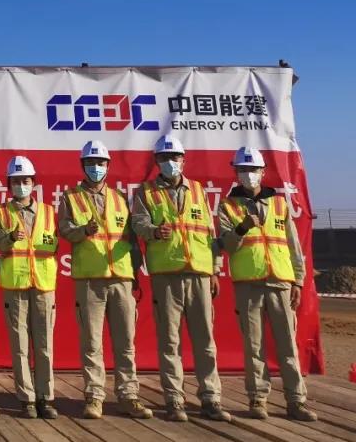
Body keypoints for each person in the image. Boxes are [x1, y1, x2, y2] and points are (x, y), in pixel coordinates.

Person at [131, 134, 231, 422]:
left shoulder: (198, 191)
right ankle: (174, 399)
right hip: (166, 275)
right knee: (169, 341)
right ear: (156, 161)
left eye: (174, 157)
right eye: (164, 158)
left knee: (205, 340)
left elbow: (210, 233)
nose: (170, 162)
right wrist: (153, 231)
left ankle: (210, 398)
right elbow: (138, 222)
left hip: (199, 274)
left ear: (183, 160)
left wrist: (214, 269)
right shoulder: (146, 192)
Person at [217, 147, 316, 422]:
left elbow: (294, 246)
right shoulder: (228, 206)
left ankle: (296, 401)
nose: (248, 174)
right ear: (236, 173)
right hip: (248, 284)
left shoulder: (279, 204)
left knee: (288, 345)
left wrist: (298, 281)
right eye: (242, 170)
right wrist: (242, 227)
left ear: (263, 171)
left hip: (280, 282)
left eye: (253, 169)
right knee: (254, 346)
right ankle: (257, 399)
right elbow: (226, 245)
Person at [58, 141, 152, 420]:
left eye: (100, 163)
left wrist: (135, 273)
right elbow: (64, 229)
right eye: (90, 163)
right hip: (90, 279)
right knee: (92, 342)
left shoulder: (120, 197)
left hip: (121, 278)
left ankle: (128, 396)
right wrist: (83, 230)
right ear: (82, 166)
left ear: (108, 166)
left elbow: (131, 239)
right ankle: (94, 396)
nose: (95, 167)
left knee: (126, 342)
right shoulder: (70, 197)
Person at [0, 156, 58, 419]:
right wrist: (9, 237)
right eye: (16, 181)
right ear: (9, 184)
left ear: (34, 183)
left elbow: (55, 243)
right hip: (15, 283)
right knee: (19, 345)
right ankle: (27, 399)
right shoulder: (1, 212)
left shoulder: (49, 212)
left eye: (25, 180)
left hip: (43, 285)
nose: (21, 185)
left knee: (44, 344)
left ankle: (46, 397)